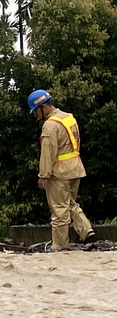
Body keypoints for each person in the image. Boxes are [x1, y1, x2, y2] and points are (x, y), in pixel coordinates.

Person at [28, 89, 96, 250]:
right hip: (76, 168)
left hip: (59, 172)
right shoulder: (68, 118)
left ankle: (59, 248)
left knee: (59, 210)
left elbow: (48, 153)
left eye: (35, 111)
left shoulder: (50, 125)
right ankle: (86, 230)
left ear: (42, 106)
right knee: (71, 203)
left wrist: (43, 175)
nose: (36, 115)